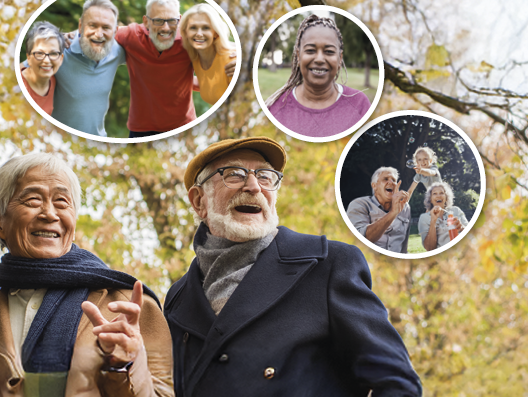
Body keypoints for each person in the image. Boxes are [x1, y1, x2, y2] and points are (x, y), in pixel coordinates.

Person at [164, 137, 421, 396]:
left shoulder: (329, 265)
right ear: (198, 201)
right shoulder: (178, 297)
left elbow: (397, 383)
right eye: (234, 174)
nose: (254, 186)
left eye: (265, 176)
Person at [0, 153, 173, 396]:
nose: (50, 213)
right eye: (32, 200)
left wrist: (122, 366)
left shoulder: (129, 306)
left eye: (62, 202)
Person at [265, 14, 371, 137]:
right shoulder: (275, 109)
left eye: (329, 52)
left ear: (340, 58)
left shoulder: (359, 105)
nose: (320, 59)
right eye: (310, 50)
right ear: (298, 56)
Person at [114, 0, 198, 137]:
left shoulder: (191, 39)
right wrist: (66, 38)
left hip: (183, 126)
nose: (165, 28)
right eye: (158, 21)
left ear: (180, 19)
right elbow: (99, 32)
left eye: (172, 21)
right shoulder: (132, 35)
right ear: (146, 21)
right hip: (141, 129)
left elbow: (221, 48)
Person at [51, 0, 126, 137]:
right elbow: (21, 73)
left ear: (115, 31)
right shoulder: (58, 49)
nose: (98, 34)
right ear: (80, 26)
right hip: (58, 142)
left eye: (106, 27)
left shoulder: (117, 50)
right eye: (92, 25)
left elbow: (148, 40)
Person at [179, 3, 235, 105]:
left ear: (216, 33)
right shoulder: (195, 57)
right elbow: (209, 84)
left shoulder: (231, 62)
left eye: (206, 28)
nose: (199, 33)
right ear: (185, 32)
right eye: (193, 28)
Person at [347, 167, 411, 253]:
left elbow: (404, 246)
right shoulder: (360, 204)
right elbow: (360, 240)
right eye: (385, 179)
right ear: (374, 186)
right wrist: (393, 213)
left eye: (394, 180)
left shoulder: (405, 207)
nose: (391, 182)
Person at [21, 21, 64, 115]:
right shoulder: (17, 86)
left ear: (61, 59)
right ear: (28, 58)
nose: (47, 61)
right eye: (40, 53)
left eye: (53, 53)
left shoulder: (57, 81)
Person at [418, 182, 468, 250]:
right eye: (434, 193)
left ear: (446, 198)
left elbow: (472, 234)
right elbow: (430, 248)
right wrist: (433, 220)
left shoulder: (456, 210)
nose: (438, 196)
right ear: (430, 200)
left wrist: (461, 227)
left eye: (441, 193)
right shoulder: (424, 218)